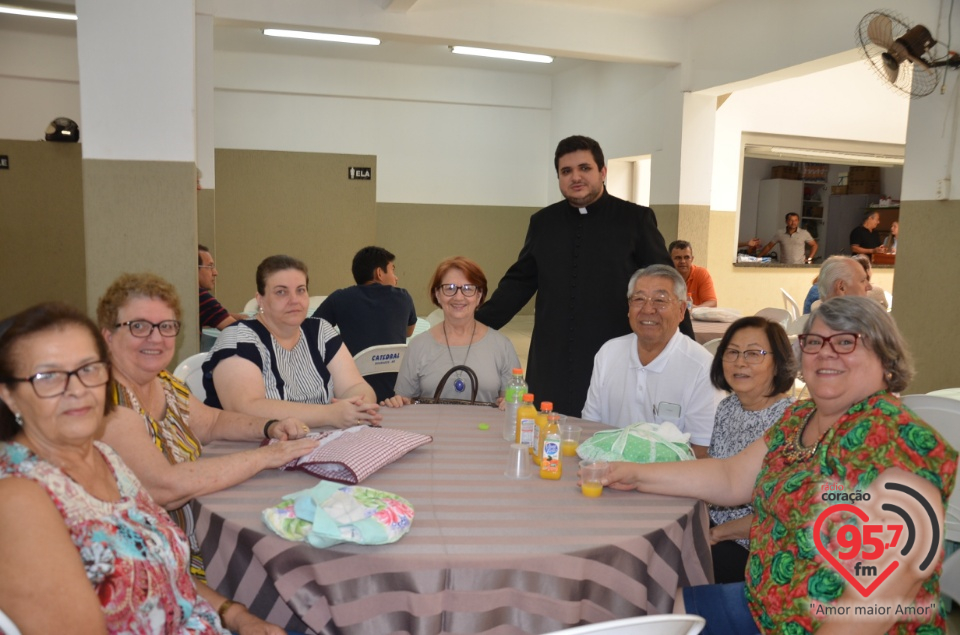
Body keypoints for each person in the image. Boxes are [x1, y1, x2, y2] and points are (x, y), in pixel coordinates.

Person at [599, 296, 957, 634]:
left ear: (886, 357)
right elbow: (731, 476)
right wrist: (632, 472)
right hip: (763, 607)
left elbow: (879, 601)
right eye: (814, 342)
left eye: (845, 342)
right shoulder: (800, 417)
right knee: (652, 607)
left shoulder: (902, 443)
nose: (824, 354)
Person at [0, 302, 290, 634]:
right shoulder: (17, 499)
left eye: (89, 368)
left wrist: (238, 616)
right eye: (47, 376)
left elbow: (164, 572)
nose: (77, 389)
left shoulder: (106, 457)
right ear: (8, 394)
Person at [97, 272, 319, 580]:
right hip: (148, 565)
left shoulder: (162, 383)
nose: (156, 337)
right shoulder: (104, 401)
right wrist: (267, 456)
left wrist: (269, 427)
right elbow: (166, 486)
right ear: (108, 334)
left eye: (166, 326)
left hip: (188, 540)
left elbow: (212, 421)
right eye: (138, 326)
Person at [476, 135, 690, 417]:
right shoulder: (543, 222)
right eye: (566, 171)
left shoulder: (635, 219)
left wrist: (686, 345)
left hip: (613, 349)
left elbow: (667, 284)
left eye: (584, 168)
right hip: (552, 353)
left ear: (602, 172)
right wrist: (475, 324)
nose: (575, 177)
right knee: (546, 435)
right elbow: (520, 281)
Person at [203, 255, 382, 427]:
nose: (294, 300)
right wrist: (330, 414)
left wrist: (358, 405)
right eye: (281, 292)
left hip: (321, 440)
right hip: (250, 447)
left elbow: (356, 386)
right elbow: (245, 408)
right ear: (261, 300)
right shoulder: (238, 338)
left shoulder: (320, 331)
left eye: (300, 290)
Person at [581, 264, 724, 458]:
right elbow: (590, 427)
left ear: (682, 310)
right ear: (629, 308)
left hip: (669, 483)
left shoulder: (702, 367)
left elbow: (703, 448)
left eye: (660, 300)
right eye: (639, 299)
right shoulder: (608, 353)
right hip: (608, 471)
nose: (648, 309)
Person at [705, 316, 795, 584]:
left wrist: (716, 534)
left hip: (759, 547)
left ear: (778, 363)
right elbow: (714, 475)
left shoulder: (791, 420)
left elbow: (780, 514)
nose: (740, 362)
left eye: (754, 354)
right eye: (732, 352)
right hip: (716, 527)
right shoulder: (728, 407)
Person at [384, 256, 520, 407]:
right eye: (450, 288)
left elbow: (515, 403)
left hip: (485, 429)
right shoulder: (418, 346)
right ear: (437, 294)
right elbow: (404, 401)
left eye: (468, 289)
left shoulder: (502, 346)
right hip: (430, 430)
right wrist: (398, 402)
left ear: (479, 295)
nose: (459, 296)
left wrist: (511, 404)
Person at [312, 246, 417, 402]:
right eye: (392, 270)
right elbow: (409, 332)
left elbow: (312, 331)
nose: (396, 278)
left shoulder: (340, 298)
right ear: (379, 273)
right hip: (395, 396)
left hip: (353, 393)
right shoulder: (403, 297)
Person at [198, 244, 245, 330]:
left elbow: (211, 314)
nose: (215, 273)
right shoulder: (200, 296)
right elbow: (238, 332)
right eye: (210, 266)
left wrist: (236, 316)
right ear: (194, 268)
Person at [669, 239, 717, 307]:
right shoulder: (665, 277)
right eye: (678, 258)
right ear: (670, 260)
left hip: (694, 316)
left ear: (692, 259)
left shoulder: (701, 273)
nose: (683, 261)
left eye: (686, 257)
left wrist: (693, 310)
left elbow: (712, 303)